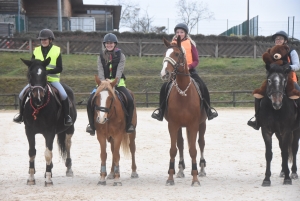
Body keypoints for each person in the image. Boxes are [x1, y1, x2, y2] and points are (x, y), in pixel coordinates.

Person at [151, 23, 218, 121]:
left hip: (189, 71)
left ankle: (208, 110)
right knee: (164, 88)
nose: (179, 33)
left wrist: (189, 67)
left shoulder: (190, 44)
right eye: (177, 32)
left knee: (203, 86)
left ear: (185, 33)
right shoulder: (172, 44)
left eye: (181, 32)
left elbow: (196, 60)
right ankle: (161, 111)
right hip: (175, 73)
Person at [13, 29, 73, 126]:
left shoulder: (56, 50)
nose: (43, 41)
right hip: (37, 81)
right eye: (41, 39)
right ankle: (21, 115)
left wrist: (47, 72)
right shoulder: (36, 50)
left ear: (50, 40)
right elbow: (31, 66)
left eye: (45, 39)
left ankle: (67, 117)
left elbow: (59, 68)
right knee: (21, 95)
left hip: (53, 80)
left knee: (64, 94)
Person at [248, 30, 300, 130]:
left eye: (280, 38)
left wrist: (289, 67)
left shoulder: (291, 51)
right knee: (258, 96)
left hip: (289, 80)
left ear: (285, 40)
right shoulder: (271, 51)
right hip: (273, 81)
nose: (278, 40)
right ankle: (257, 120)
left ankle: (298, 121)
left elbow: (297, 65)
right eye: (276, 39)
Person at [86, 33, 135, 135]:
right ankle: (91, 125)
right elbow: (100, 71)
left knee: (129, 100)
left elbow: (119, 71)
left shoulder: (121, 56)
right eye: (107, 43)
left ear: (115, 44)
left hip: (118, 83)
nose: (109, 45)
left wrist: (113, 82)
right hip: (103, 83)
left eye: (111, 43)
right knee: (90, 100)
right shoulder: (100, 56)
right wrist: (104, 83)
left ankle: (129, 124)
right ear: (105, 44)